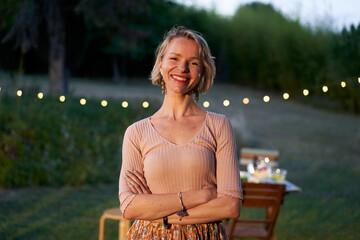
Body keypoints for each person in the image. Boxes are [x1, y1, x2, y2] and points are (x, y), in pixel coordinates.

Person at [118, 26, 243, 239]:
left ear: (202, 71)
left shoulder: (219, 126)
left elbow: (230, 207)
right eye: (174, 58)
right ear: (161, 63)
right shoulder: (136, 133)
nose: (182, 68)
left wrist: (157, 212)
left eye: (193, 63)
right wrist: (202, 195)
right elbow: (130, 206)